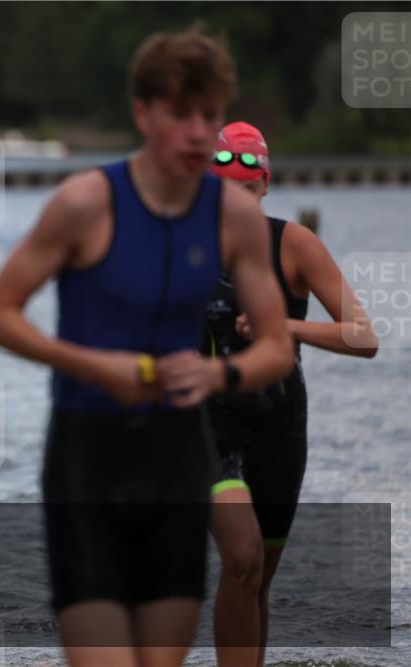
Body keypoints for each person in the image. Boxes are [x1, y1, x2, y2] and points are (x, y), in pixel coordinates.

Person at [0, 26, 295, 667]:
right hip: (87, 453)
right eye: (181, 114)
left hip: (178, 457)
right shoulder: (86, 202)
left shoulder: (234, 218)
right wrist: (94, 365)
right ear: (143, 113)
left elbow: (277, 349)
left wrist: (218, 379)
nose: (199, 132)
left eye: (209, 115)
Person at [204, 122, 378, 667]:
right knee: (241, 559)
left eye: (247, 192)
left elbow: (363, 336)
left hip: (279, 426)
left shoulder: (295, 244)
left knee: (257, 579)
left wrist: (287, 327)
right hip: (208, 424)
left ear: (266, 188)